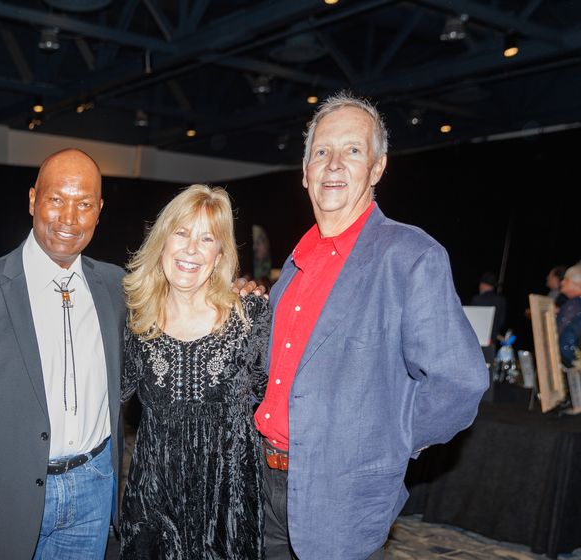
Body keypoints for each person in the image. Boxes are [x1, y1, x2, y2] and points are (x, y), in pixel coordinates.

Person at [253, 92, 488, 559]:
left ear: (377, 168)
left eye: (352, 150)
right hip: (264, 488)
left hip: (340, 500)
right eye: (321, 151)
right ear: (305, 173)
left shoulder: (410, 257)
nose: (334, 163)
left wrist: (383, 444)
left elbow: (460, 382)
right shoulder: (294, 266)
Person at [0, 148, 125, 560]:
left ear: (99, 210)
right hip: (6, 501)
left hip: (94, 491)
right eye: (56, 200)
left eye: (84, 204)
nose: (69, 218)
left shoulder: (117, 287)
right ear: (33, 200)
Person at [120, 184, 271, 558]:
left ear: (220, 254)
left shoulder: (251, 318)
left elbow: (276, 402)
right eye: (182, 233)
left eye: (207, 239)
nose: (191, 249)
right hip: (154, 509)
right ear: (162, 241)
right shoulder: (137, 322)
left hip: (228, 512)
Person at [470, 272, 507, 344]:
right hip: (492, 340)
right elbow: (501, 321)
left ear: (483, 285)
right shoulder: (501, 301)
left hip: (477, 339)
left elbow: (471, 320)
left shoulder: (477, 299)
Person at [557, 263, 581, 367]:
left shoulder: (574, 304)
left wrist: (573, 364)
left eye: (567, 279)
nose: (562, 281)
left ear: (578, 283)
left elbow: (565, 343)